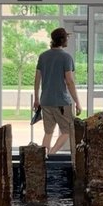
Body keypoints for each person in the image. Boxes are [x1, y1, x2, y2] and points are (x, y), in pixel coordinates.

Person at [32, 27, 81, 155]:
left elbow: (37, 79)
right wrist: (77, 102)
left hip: (45, 101)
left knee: (48, 132)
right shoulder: (66, 58)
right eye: (66, 38)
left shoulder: (43, 57)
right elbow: (69, 82)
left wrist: (36, 99)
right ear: (62, 40)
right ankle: (51, 154)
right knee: (67, 131)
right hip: (61, 102)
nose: (67, 41)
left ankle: (43, 160)